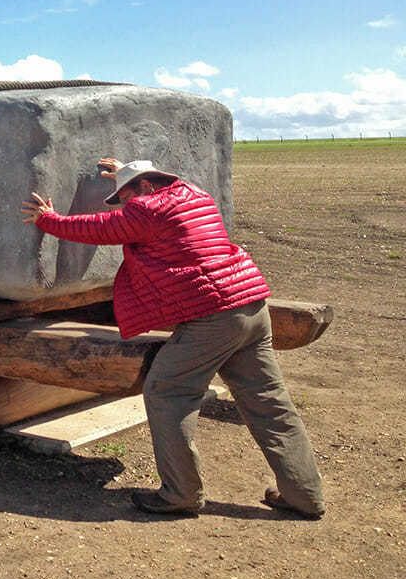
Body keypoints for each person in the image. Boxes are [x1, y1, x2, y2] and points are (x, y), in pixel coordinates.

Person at [20, 158, 325, 518]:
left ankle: (179, 493)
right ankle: (305, 494)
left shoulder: (147, 208)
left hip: (213, 317)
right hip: (252, 307)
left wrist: (48, 221)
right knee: (268, 402)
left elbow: (100, 228)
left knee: (167, 392)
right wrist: (126, 173)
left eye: (126, 196)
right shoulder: (195, 195)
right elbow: (142, 199)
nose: (125, 204)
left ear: (147, 188)